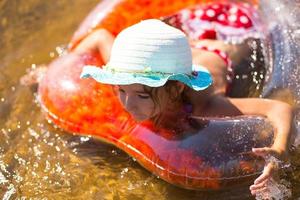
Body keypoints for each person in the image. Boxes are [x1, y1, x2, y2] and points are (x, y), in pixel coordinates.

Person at [80, 19, 294, 196]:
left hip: (221, 49)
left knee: (244, 45)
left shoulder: (205, 105)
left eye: (142, 95)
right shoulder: (129, 72)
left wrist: (279, 151)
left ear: (176, 90)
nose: (128, 104)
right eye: (121, 91)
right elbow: (99, 35)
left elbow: (280, 108)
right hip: (181, 53)